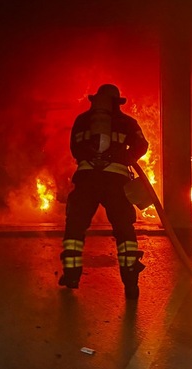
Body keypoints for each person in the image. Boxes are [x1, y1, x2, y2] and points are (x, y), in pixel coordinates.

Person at [58, 84, 149, 299]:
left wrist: (90, 159)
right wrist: (125, 158)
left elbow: (74, 148)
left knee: (75, 228)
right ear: (117, 103)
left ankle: (71, 275)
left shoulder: (81, 121)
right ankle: (130, 282)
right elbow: (142, 145)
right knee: (124, 230)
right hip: (115, 182)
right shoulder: (127, 122)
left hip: (87, 180)